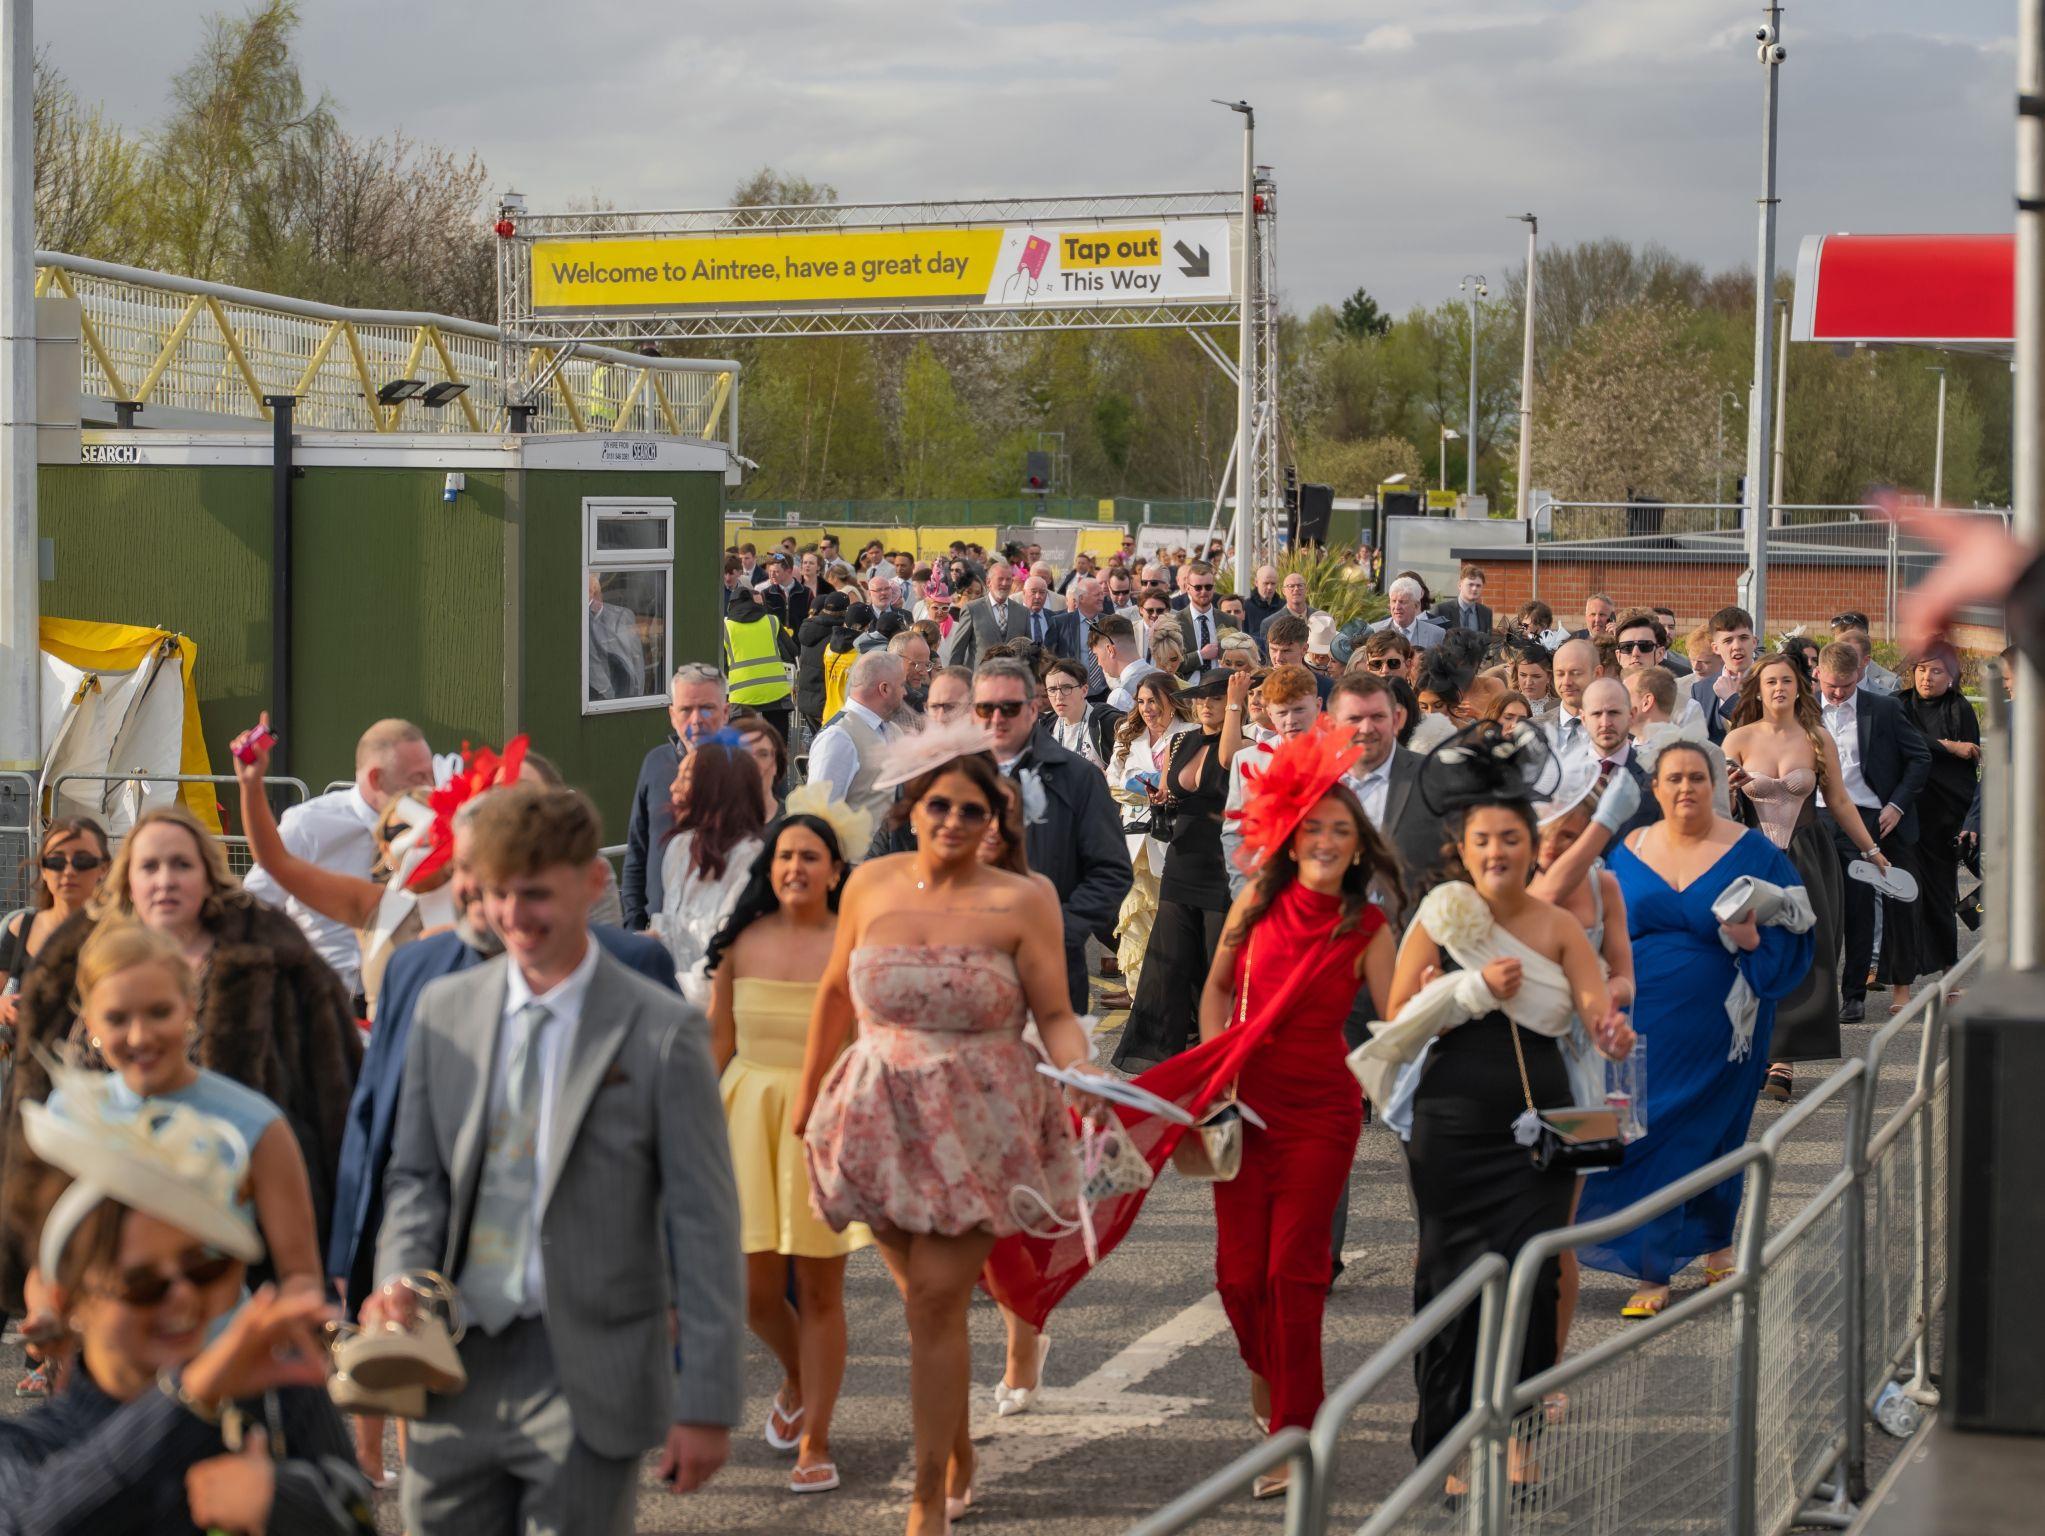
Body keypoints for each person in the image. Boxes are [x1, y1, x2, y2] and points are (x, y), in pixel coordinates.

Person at [368, 784, 741, 1531]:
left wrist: (704, 1401)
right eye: (498, 893)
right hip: (453, 1363)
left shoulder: (661, 1032)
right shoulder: (447, 1012)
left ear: (592, 882)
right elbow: (417, 1177)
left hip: (588, 1368)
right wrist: (399, 1273)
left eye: (535, 893)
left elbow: (705, 1225)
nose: (514, 916)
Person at [795, 739, 1096, 1536]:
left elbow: (1056, 1014)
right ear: (911, 811)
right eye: (940, 805)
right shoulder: (866, 884)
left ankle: (925, 1495)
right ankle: (956, 1447)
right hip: (876, 1114)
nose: (956, 820)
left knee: (935, 1296)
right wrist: (803, 1102)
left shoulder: (1025, 897)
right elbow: (832, 995)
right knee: (921, 1304)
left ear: (995, 818)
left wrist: (1083, 1075)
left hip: (981, 1121)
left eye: (974, 808)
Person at [1371, 723, 1629, 1475]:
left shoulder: (1555, 924)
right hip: (1450, 1124)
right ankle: (1452, 1442)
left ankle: (1514, 1437)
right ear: (1461, 844)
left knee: (1533, 1276)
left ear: (1531, 842)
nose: (1497, 852)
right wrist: (1460, 990)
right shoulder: (1442, 912)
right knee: (1451, 1275)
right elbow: (1393, 1014)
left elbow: (1592, 1010)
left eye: (1511, 838)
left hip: (1541, 1127)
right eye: (1483, 839)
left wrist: (1609, 1033)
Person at [2, 805, 360, 1319]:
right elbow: (32, 1099)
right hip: (108, 1232)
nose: (165, 880)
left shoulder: (273, 959)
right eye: (149, 866)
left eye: (181, 864)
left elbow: (335, 1095)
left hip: (231, 1225)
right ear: (127, 878)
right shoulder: (77, 957)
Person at [1162, 725, 1400, 1496]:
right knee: (1238, 1278)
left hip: (1322, 1114)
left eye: (1342, 828)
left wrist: (1464, 994)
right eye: (1315, 826)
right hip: (1244, 1108)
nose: (1327, 838)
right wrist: (1216, 1072)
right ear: (1290, 835)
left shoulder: (1366, 925)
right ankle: (1272, 1386)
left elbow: (1399, 1014)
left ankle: (1295, 1432)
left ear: (1357, 845)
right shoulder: (1255, 906)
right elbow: (1214, 990)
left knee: (1293, 1276)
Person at [0, 1069, 369, 1530]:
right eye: (143, 1284)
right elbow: (31, 1522)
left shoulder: (281, 1400)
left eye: (204, 1269)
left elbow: (359, 1521)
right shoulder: (23, 1447)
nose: (182, 1297)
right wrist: (192, 1397)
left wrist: (286, 1504)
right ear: (68, 1300)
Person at [1576, 738, 1813, 1317]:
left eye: (1697, 778)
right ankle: (1708, 1245)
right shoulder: (1627, 848)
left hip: (1724, 1023)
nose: (1685, 788)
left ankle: (1659, 1270)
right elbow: (1596, 930)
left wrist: (1757, 942)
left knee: (1709, 1133)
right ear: (1655, 790)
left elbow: (1799, 921)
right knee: (1640, 1130)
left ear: (1715, 785)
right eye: (1673, 779)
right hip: (1637, 1019)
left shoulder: (1755, 852)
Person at [707, 795, 872, 1495]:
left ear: (836, 870)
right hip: (743, 1117)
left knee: (820, 1287)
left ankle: (817, 1438)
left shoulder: (855, 942)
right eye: (784, 856)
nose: (795, 867)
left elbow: (867, 1046)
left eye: (809, 856)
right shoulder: (738, 942)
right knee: (751, 1291)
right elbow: (716, 1047)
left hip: (824, 1122)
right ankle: (800, 1376)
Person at [231, 719, 512, 1019]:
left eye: (427, 827)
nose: (414, 840)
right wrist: (251, 786)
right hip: (334, 1002)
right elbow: (275, 865)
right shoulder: (373, 902)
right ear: (384, 848)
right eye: (397, 832)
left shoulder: (468, 894)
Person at [1723, 653, 1886, 1099]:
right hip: (1754, 854)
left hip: (1808, 853)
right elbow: (1720, 807)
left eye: (1787, 681)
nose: (1779, 688)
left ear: (1800, 688)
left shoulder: (1817, 738)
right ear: (1757, 688)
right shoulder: (1736, 737)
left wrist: (1873, 852)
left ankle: (1784, 1057)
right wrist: (1730, 791)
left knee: (1808, 952)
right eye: (1771, 681)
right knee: (1749, 952)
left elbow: (1839, 801)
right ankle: (1755, 1047)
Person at [967, 662, 1132, 1012]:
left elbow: (1111, 870)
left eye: (1009, 707)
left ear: (1031, 708)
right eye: (986, 708)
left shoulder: (1079, 776)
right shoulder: (954, 775)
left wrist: (1061, 931)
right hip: (969, 962)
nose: (997, 718)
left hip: (1049, 967)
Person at [243, 718, 434, 1002]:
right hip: (324, 1001)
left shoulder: (436, 828)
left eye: (432, 775)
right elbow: (256, 902)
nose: (431, 787)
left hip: (409, 996)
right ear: (376, 779)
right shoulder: (310, 824)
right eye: (418, 778)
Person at [1113, 674, 1242, 1071]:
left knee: (1213, 964)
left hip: (1221, 870)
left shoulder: (1244, 747)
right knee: (1168, 963)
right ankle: (1169, 1054)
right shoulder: (1180, 742)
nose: (1206, 704)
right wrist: (1159, 798)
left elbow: (1226, 761)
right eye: (1201, 698)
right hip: (1180, 863)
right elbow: (1170, 793)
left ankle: (1218, 1051)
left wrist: (1237, 702)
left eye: (1217, 698)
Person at [1813, 641, 1931, 1023]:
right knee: (1814, 909)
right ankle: (1815, 994)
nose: (1837, 692)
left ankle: (1853, 995)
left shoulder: (1883, 708)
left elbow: (1919, 757)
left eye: (1845, 685)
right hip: (1812, 817)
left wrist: (1896, 805)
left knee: (1860, 907)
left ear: (1859, 676)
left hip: (1863, 818)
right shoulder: (1804, 711)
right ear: (1817, 674)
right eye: (1831, 684)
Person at [655, 734, 768, 1008]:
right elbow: (671, 934)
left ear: (718, 787)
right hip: (670, 1010)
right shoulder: (680, 849)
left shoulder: (750, 860)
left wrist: (652, 988)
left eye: (685, 778)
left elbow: (721, 967)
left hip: (720, 1019)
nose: (673, 788)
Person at [1108, 673, 1196, 1002]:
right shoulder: (1127, 733)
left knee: (1168, 923)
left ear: (1172, 702)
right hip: (1133, 841)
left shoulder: (1189, 735)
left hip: (1171, 840)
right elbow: (1113, 782)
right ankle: (1140, 996)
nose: (1147, 709)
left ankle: (1168, 997)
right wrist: (1145, 787)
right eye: (1142, 701)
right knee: (1133, 921)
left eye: (1154, 702)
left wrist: (1153, 786)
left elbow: (1184, 786)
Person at [624, 664, 730, 933]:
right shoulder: (656, 764)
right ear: (672, 715)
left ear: (725, 712)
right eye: (686, 710)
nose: (696, 720)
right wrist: (634, 926)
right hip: (656, 933)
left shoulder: (744, 769)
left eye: (707, 708)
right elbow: (638, 851)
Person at [1897, 640, 1978, 979]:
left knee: (1943, 897)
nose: (1926, 677)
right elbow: (1905, 739)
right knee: (1904, 898)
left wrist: (1969, 822)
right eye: (1920, 669)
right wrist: (1947, 746)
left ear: (1951, 676)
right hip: (1904, 813)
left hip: (1945, 817)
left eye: (1936, 670)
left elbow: (1968, 768)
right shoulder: (1898, 704)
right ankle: (1904, 974)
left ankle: (1949, 971)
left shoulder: (1959, 708)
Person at [0, 817, 110, 1037]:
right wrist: (4, 1007)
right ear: (43, 868)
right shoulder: (20, 927)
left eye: (83, 861)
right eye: (57, 862)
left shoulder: (120, 932)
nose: (69, 871)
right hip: (29, 1065)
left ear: (104, 868)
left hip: (95, 1066)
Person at [806, 651, 907, 825]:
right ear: (885, 689)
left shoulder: (891, 729)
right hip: (856, 851)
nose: (905, 692)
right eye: (902, 685)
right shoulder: (838, 737)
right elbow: (818, 815)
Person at [1581, 677, 1661, 838]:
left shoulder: (1656, 773)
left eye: (1614, 713)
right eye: (1596, 714)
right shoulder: (1563, 775)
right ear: (1583, 719)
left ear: (1631, 714)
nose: (1605, 723)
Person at [1688, 605, 1757, 742]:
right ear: (1716, 648)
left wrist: (1732, 699)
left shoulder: (1773, 681)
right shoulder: (1700, 689)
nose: (1737, 646)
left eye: (1743, 638)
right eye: (1728, 640)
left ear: (1754, 642)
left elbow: (1765, 732)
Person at [942, 560, 1027, 667]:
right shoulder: (971, 609)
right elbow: (958, 650)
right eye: (1000, 579)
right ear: (988, 582)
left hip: (1012, 678)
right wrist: (954, 678)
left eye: (1008, 579)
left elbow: (1027, 651)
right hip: (979, 679)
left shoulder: (1023, 612)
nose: (1005, 583)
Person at [1041, 656, 1120, 768]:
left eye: (1066, 688)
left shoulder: (1108, 722)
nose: (1058, 697)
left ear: (1084, 690)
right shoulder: (1044, 726)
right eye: (1052, 690)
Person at [732, 711, 790, 821]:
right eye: (744, 754)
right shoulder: (710, 824)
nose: (754, 763)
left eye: (763, 754)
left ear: (776, 764)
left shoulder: (797, 827)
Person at [1432, 563, 1493, 634]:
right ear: (1460, 585)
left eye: (1478, 585)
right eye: (1471, 584)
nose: (1474, 588)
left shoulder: (1486, 613)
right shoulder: (1441, 610)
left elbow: (1487, 641)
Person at [1242, 565, 1285, 639]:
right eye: (1266, 583)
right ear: (1256, 582)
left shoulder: (1284, 606)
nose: (1270, 587)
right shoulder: (1245, 606)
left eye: (1273, 583)